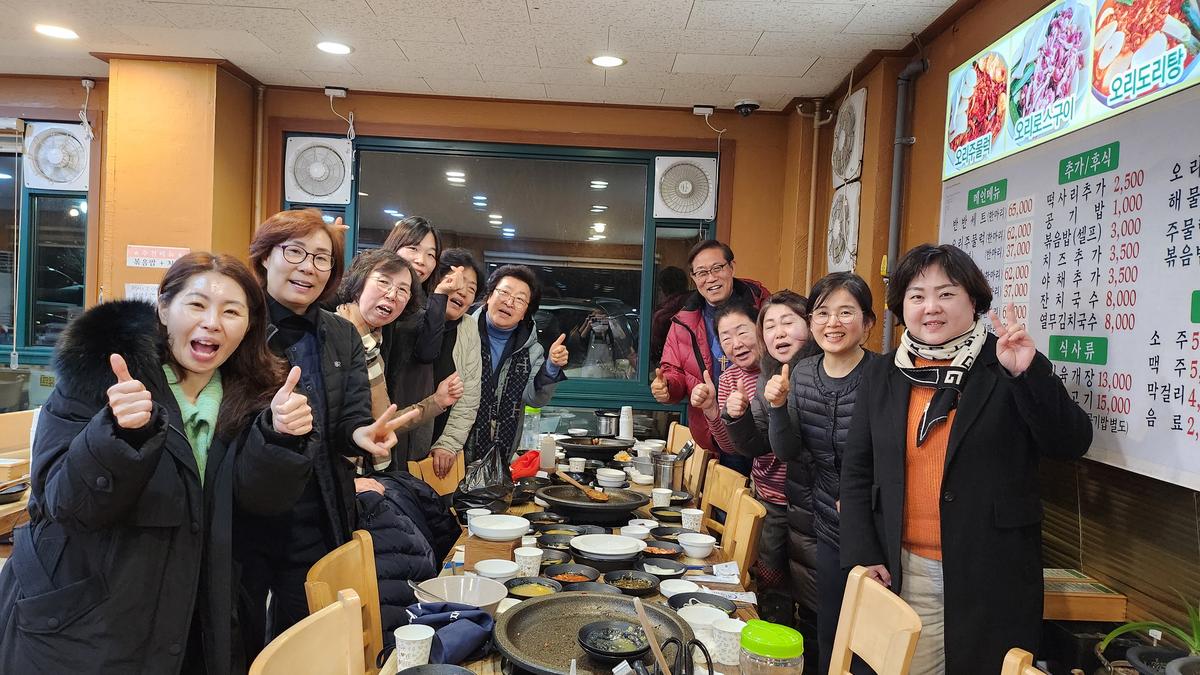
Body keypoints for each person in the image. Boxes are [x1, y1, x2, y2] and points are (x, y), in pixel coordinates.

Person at [0, 253, 314, 673]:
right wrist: (117, 434)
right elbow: (64, 503)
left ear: (250, 324)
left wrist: (277, 437)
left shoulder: (257, 395)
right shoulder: (101, 375)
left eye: (231, 311)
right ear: (164, 308)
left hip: (196, 622)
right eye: (197, 304)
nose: (212, 323)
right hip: (83, 622)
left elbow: (261, 504)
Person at [840, 244, 1092, 674]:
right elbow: (858, 469)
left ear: (973, 300)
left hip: (990, 569)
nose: (931, 307)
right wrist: (863, 551)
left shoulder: (1006, 362)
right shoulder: (884, 373)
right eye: (917, 296)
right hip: (905, 566)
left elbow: (1070, 443)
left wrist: (1027, 374)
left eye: (946, 293)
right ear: (902, 306)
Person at [239, 208, 410, 647]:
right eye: (295, 252)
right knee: (239, 635)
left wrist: (360, 434)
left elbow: (351, 414)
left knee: (307, 633)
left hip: (316, 507)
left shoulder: (341, 333)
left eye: (321, 258)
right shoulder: (239, 324)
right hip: (244, 511)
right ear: (265, 256)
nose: (308, 267)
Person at [762, 273, 878, 675]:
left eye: (846, 312)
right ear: (812, 322)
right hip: (826, 524)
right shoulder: (803, 372)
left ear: (867, 323)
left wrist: (866, 506)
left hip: (874, 526)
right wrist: (778, 408)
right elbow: (787, 450)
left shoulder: (883, 375)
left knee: (870, 644)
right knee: (830, 631)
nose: (833, 323)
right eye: (823, 313)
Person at [720, 290, 819, 669]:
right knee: (773, 584)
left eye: (788, 322)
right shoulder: (766, 375)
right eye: (771, 326)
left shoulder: (823, 372)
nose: (779, 332)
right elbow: (757, 444)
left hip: (818, 509)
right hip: (774, 498)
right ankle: (775, 660)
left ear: (809, 324)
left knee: (814, 602)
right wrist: (736, 416)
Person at [333, 249, 464, 476]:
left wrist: (437, 401)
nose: (392, 294)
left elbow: (382, 424)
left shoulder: (374, 344)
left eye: (403, 290)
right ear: (358, 284)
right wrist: (346, 482)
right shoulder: (332, 337)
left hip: (364, 472)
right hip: (339, 478)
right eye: (383, 282)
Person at [650, 240, 769, 475]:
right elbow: (674, 371)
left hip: (767, 425)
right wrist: (667, 387)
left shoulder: (763, 306)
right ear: (694, 278)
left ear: (731, 267)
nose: (711, 278)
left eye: (717, 268)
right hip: (717, 430)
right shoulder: (683, 322)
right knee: (727, 493)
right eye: (702, 273)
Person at [378, 216, 468, 464]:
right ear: (394, 246)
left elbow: (427, 352)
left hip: (408, 411)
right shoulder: (372, 295)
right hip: (368, 411)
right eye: (413, 249)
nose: (422, 260)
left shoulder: (424, 304)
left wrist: (440, 295)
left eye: (431, 254)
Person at [463, 265, 569, 467]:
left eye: (520, 299)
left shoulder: (532, 351)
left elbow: (534, 398)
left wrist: (551, 366)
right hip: (452, 453)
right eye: (504, 292)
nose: (509, 302)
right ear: (488, 296)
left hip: (501, 459)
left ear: (525, 313)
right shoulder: (462, 334)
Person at [427, 248, 484, 479]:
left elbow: (469, 392)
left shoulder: (468, 327)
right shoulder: (412, 317)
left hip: (441, 443)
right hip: (400, 436)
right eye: (456, 281)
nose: (462, 291)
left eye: (471, 289)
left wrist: (448, 443)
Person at [650, 265, 690, 366]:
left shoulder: (662, 316)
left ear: (663, 289)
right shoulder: (696, 306)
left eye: (659, 289)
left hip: (669, 365)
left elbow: (654, 350)